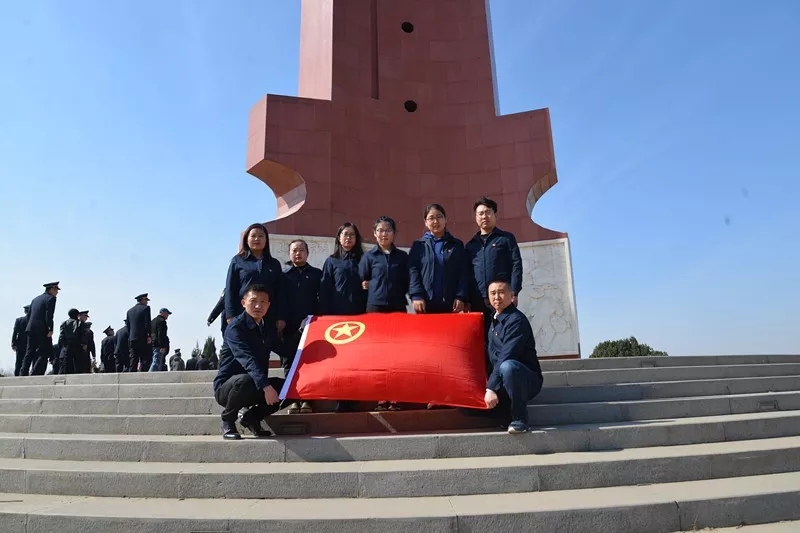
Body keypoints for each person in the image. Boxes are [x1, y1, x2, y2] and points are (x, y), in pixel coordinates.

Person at [213, 284, 284, 440]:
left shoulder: (267, 328)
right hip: (229, 388)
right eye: (253, 301)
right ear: (243, 303)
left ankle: (252, 418)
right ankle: (228, 421)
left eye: (263, 302)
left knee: (290, 388)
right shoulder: (235, 328)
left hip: (256, 385)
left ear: (268, 305)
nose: (258, 306)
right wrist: (266, 386)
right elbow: (247, 359)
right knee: (245, 380)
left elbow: (286, 350)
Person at [359, 216, 409, 411]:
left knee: (397, 354)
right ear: (374, 233)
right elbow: (362, 280)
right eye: (380, 230)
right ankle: (381, 397)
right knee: (378, 354)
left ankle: (395, 396)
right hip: (375, 309)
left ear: (394, 233)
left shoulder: (402, 257)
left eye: (388, 230)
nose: (384, 234)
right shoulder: (369, 257)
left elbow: (408, 281)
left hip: (397, 307)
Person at [319, 222, 368, 413]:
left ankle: (355, 396)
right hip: (337, 320)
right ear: (339, 238)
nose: (348, 238)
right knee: (339, 361)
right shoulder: (331, 262)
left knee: (357, 360)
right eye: (345, 234)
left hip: (360, 318)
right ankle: (341, 397)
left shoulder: (364, 260)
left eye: (352, 235)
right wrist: (325, 316)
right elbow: (324, 291)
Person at [483, 279, 543, 434]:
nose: (497, 297)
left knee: (508, 366)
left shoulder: (516, 320)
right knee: (467, 409)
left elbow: (506, 355)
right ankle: (504, 416)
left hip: (525, 379)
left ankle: (520, 419)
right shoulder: (493, 321)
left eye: (501, 292)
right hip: (503, 380)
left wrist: (491, 387)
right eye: (493, 293)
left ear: (512, 296)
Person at [465, 197, 523, 335]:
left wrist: (514, 291)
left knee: (504, 334)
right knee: (481, 338)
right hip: (478, 300)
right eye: (480, 213)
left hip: (501, 298)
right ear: (476, 217)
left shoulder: (506, 239)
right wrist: (466, 298)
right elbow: (466, 273)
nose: (484, 216)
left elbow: (516, 265)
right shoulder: (470, 245)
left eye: (488, 212)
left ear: (494, 215)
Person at [281, 238, 322, 414]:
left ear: (307, 253)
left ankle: (308, 400)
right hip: (288, 327)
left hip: (311, 325)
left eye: (301, 250)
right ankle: (293, 399)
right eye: (294, 250)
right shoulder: (283, 276)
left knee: (310, 364)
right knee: (290, 363)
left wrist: (315, 318)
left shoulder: (317, 274)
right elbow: (279, 301)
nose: (297, 253)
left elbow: (322, 299)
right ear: (290, 254)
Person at [408, 203, 470, 315]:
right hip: (425, 303)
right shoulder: (418, 245)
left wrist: (461, 296)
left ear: (445, 219)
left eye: (439, 217)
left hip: (451, 303)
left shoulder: (456, 244)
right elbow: (413, 271)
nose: (435, 221)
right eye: (431, 218)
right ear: (426, 222)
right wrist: (416, 295)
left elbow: (463, 272)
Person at [225, 223, 285, 335]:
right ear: (246, 239)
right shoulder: (237, 260)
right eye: (253, 236)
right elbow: (230, 289)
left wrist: (280, 317)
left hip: (268, 315)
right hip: (242, 313)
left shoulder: (274, 264)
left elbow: (280, 292)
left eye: (261, 236)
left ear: (266, 240)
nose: (257, 239)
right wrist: (230, 315)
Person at [22, 281, 60, 376]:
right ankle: (35, 373)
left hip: (31, 328)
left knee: (29, 352)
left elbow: (29, 316)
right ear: (51, 289)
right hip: (42, 329)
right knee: (45, 352)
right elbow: (49, 315)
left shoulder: (35, 299)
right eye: (56, 290)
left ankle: (23, 373)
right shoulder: (51, 298)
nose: (57, 292)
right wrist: (50, 328)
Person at [126, 293, 152, 372]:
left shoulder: (129, 311)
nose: (147, 302)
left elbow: (128, 326)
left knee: (134, 360)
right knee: (145, 359)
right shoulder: (146, 308)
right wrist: (149, 336)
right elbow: (147, 324)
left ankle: (132, 377)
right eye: (146, 300)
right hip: (143, 337)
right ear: (142, 300)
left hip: (132, 338)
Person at [58, 308, 85, 375]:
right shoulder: (80, 323)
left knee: (67, 363)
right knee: (78, 363)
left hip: (68, 345)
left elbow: (61, 335)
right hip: (77, 344)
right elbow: (82, 335)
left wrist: (64, 345)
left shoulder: (64, 323)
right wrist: (84, 343)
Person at [11, 305, 30, 376]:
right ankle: (24, 375)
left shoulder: (19, 320)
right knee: (27, 362)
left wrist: (13, 343)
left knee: (19, 362)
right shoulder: (33, 321)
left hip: (20, 344)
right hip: (29, 344)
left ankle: (17, 376)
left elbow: (15, 332)